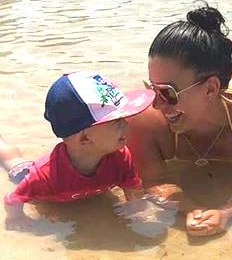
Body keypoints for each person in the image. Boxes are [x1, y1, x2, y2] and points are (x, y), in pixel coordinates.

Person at [126, 2, 232, 237]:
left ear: (211, 88)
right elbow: (151, 181)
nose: (156, 103)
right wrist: (191, 209)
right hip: (217, 98)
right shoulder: (146, 121)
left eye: (167, 92)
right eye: (152, 88)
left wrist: (229, 211)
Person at [3, 70, 155, 227]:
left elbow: (133, 189)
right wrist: (21, 221)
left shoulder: (121, 157)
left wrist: (138, 212)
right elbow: (12, 200)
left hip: (81, 191)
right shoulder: (42, 176)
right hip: (38, 184)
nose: (126, 124)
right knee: (13, 160)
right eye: (117, 121)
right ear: (85, 138)